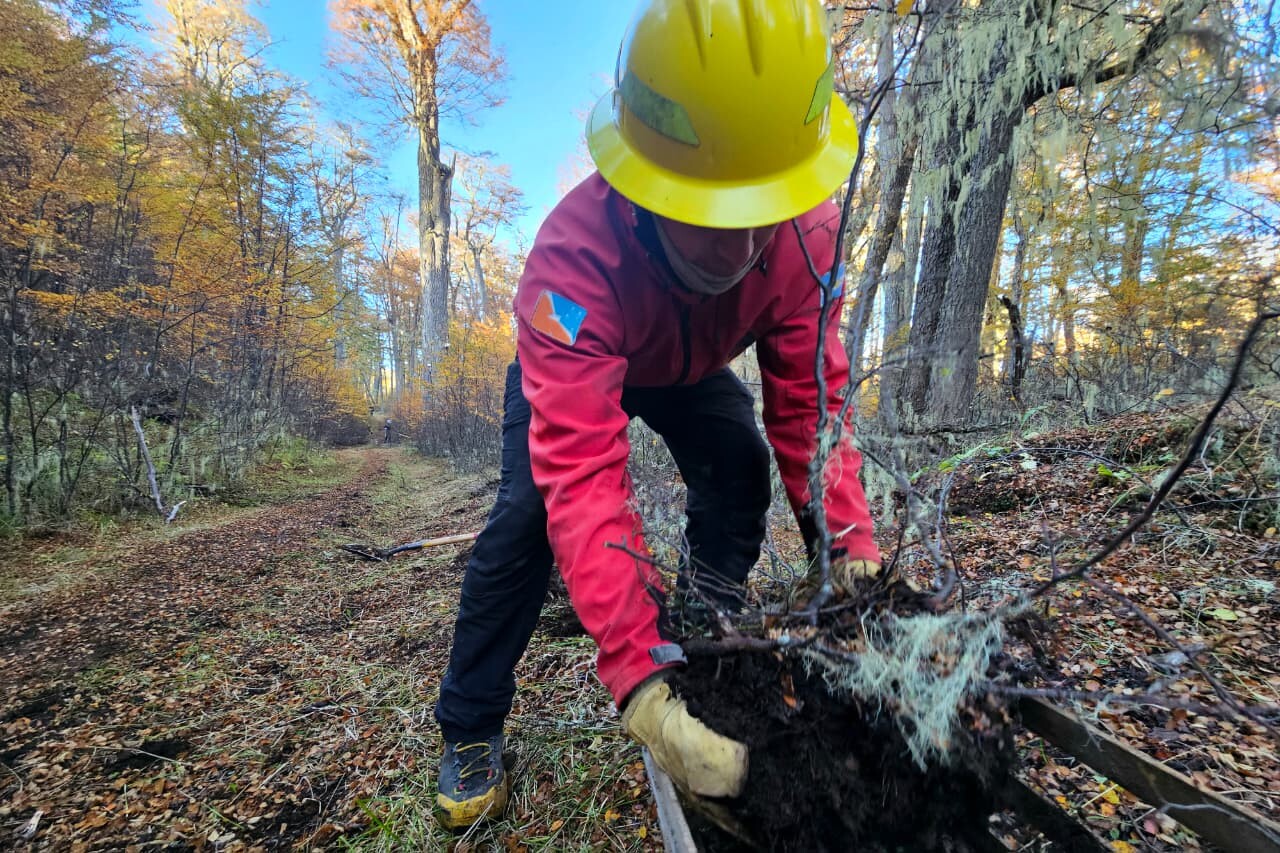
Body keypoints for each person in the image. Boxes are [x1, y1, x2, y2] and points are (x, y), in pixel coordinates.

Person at [433, 0, 883, 829]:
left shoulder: (808, 235)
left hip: (688, 369)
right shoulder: (571, 264)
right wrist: (635, 676)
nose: (736, 248)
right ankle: (470, 722)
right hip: (583, 361)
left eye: (758, 215)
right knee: (528, 512)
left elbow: (812, 403)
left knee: (739, 467)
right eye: (707, 215)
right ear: (644, 181)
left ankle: (704, 627)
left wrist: (848, 542)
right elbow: (581, 475)